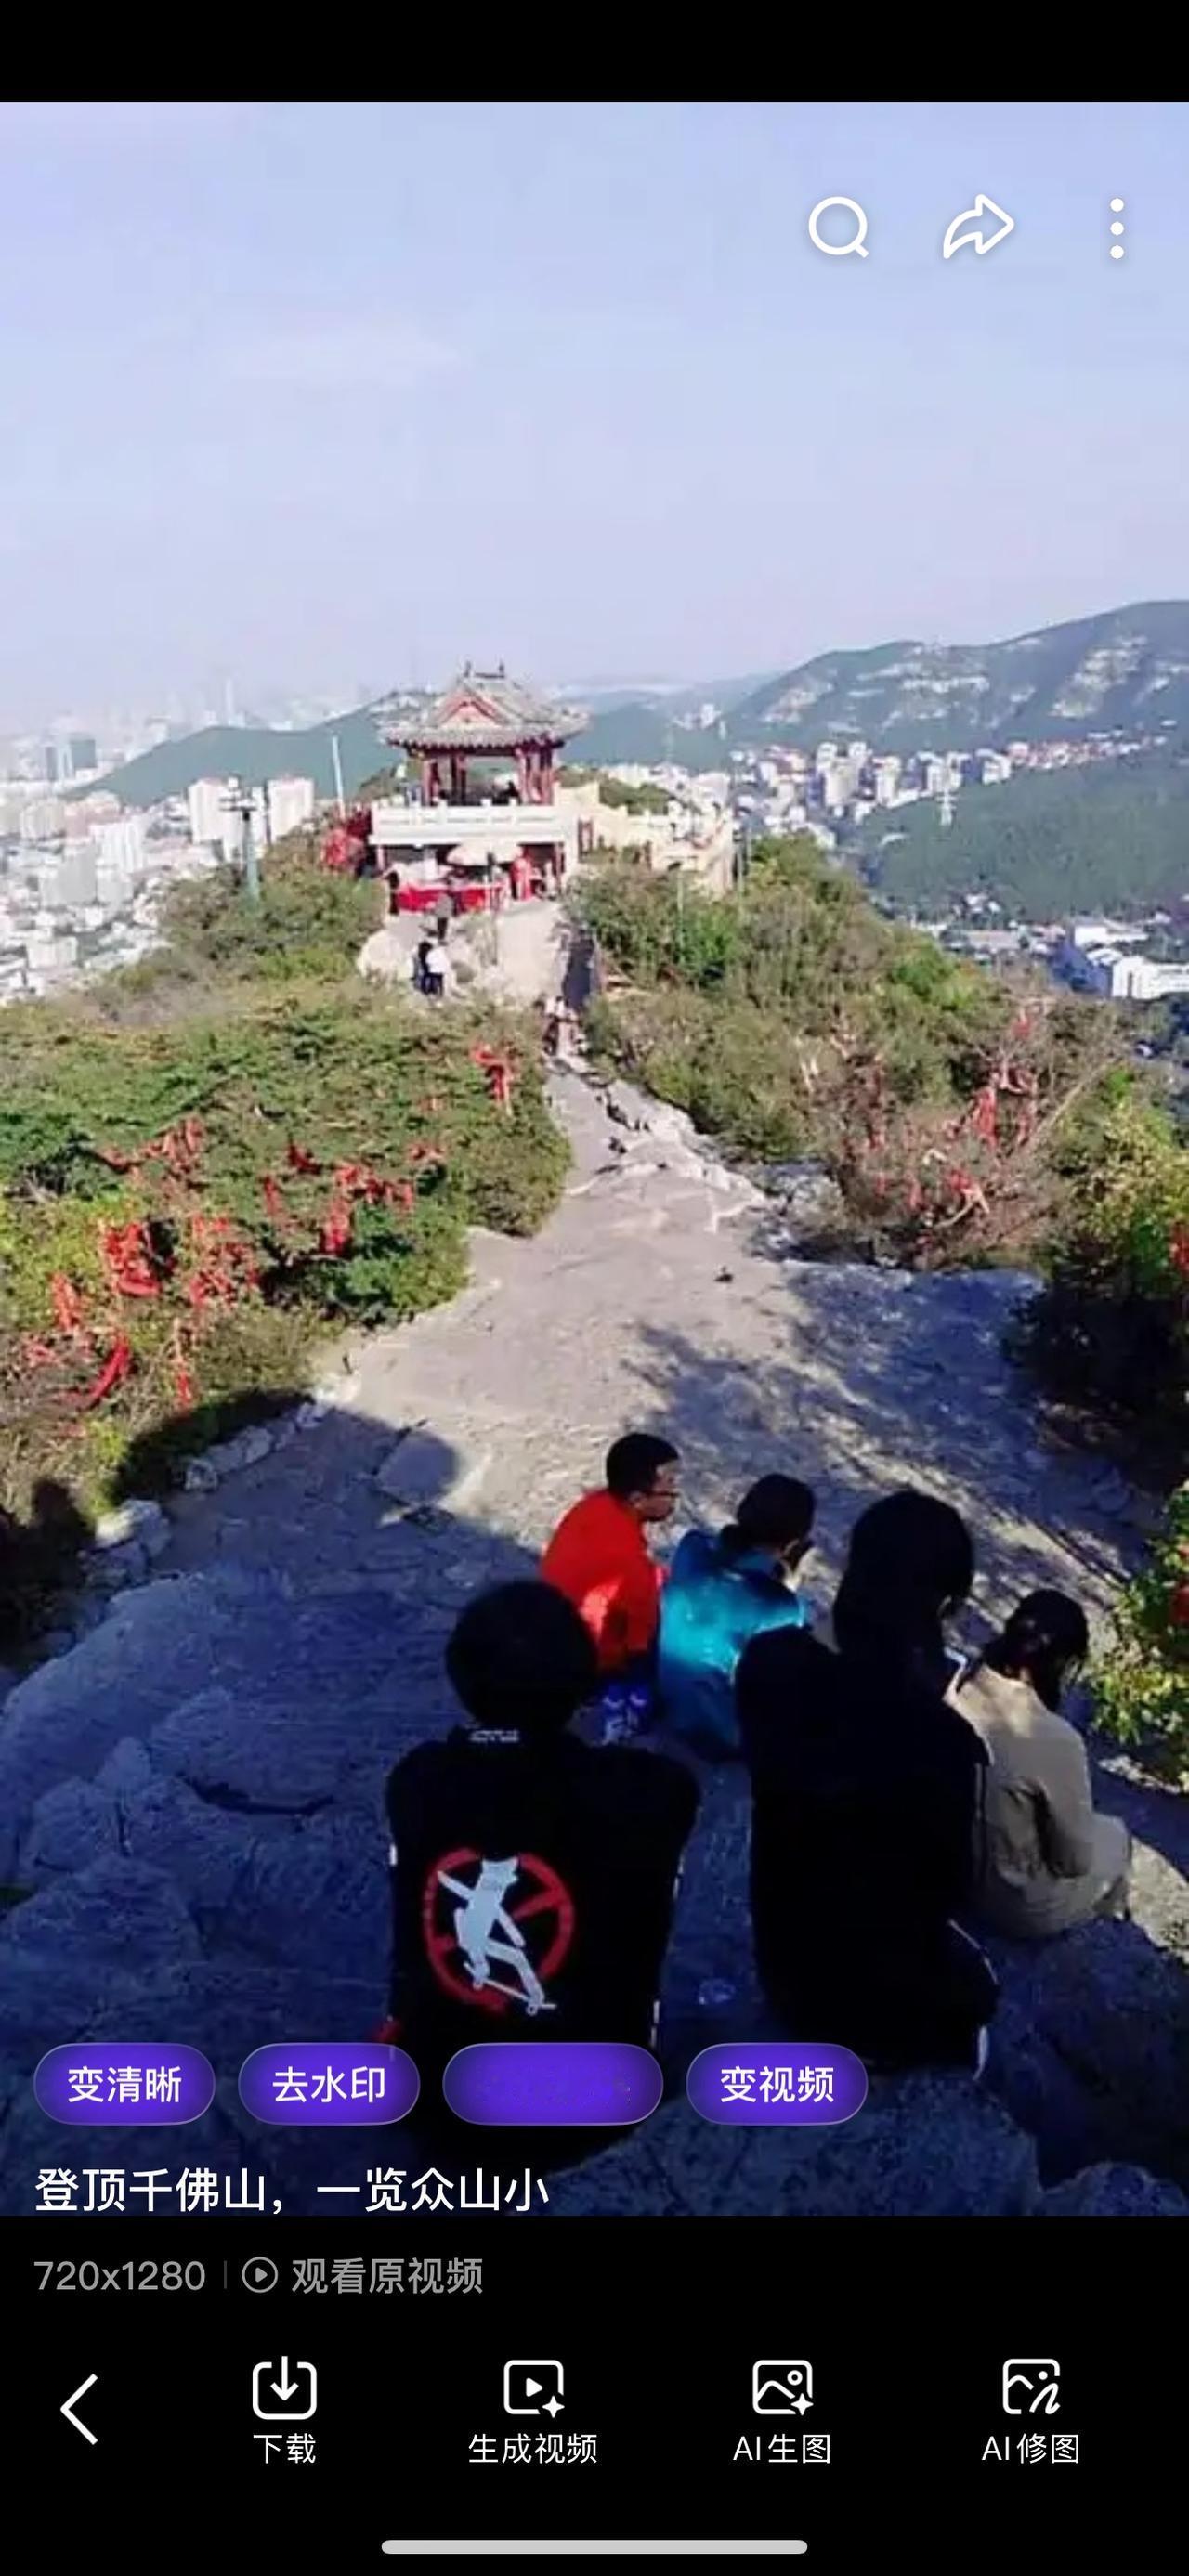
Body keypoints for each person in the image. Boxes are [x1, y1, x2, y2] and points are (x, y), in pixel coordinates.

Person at [384, 1581, 699, 2075]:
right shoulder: (648, 1791)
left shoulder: (417, 1780)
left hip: (435, 2077)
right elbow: (671, 1788)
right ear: (582, 1681)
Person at [737, 1489, 998, 2075]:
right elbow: (949, 1888)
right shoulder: (942, 1742)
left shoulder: (767, 1660)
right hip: (876, 2009)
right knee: (978, 1988)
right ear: (942, 1604)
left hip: (783, 1959)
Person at [948, 1590, 1131, 1938]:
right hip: (1013, 1902)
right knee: (1116, 1836)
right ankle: (1107, 1927)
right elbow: (1072, 1861)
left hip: (951, 1868)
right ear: (1062, 1664)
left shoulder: (960, 1682)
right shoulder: (1054, 1738)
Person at [658, 1474, 816, 1760]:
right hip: (721, 1733)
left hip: (668, 1697)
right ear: (793, 1544)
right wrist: (787, 1590)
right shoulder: (781, 1605)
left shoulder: (692, 1546)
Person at [541, 1433, 680, 1738]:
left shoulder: (595, 1505)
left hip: (559, 1624)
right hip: (592, 1652)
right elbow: (641, 1625)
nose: (675, 1493)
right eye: (669, 1485)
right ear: (638, 1499)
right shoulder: (628, 1559)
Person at [422, 934, 449, 999]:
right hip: (440, 970)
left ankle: (433, 992)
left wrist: (431, 965)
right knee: (440, 982)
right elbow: (445, 962)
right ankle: (441, 993)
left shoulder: (431, 952)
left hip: (433, 970)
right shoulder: (443, 953)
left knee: (433, 982)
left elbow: (428, 961)